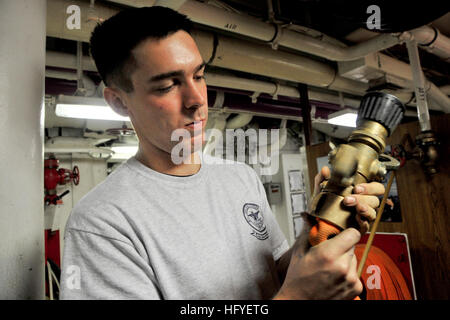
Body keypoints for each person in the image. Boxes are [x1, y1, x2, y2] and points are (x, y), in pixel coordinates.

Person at [60, 6, 384, 300]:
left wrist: (319, 224)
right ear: (118, 101)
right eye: (166, 86)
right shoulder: (103, 222)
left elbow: (275, 275)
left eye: (198, 75)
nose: (197, 100)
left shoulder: (239, 177)